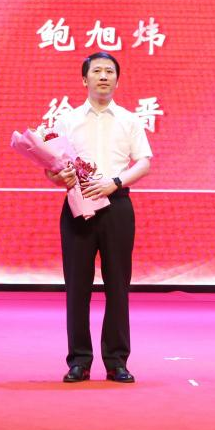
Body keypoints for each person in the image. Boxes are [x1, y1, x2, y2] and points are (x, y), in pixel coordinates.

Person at [46, 52, 152, 384]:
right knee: (77, 286)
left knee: (117, 285)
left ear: (117, 80)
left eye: (109, 71)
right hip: (78, 206)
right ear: (84, 79)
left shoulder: (129, 120)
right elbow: (52, 168)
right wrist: (59, 177)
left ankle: (116, 360)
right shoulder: (67, 121)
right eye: (97, 71)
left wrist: (115, 182)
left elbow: (144, 162)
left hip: (117, 205)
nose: (103, 76)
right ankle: (79, 360)